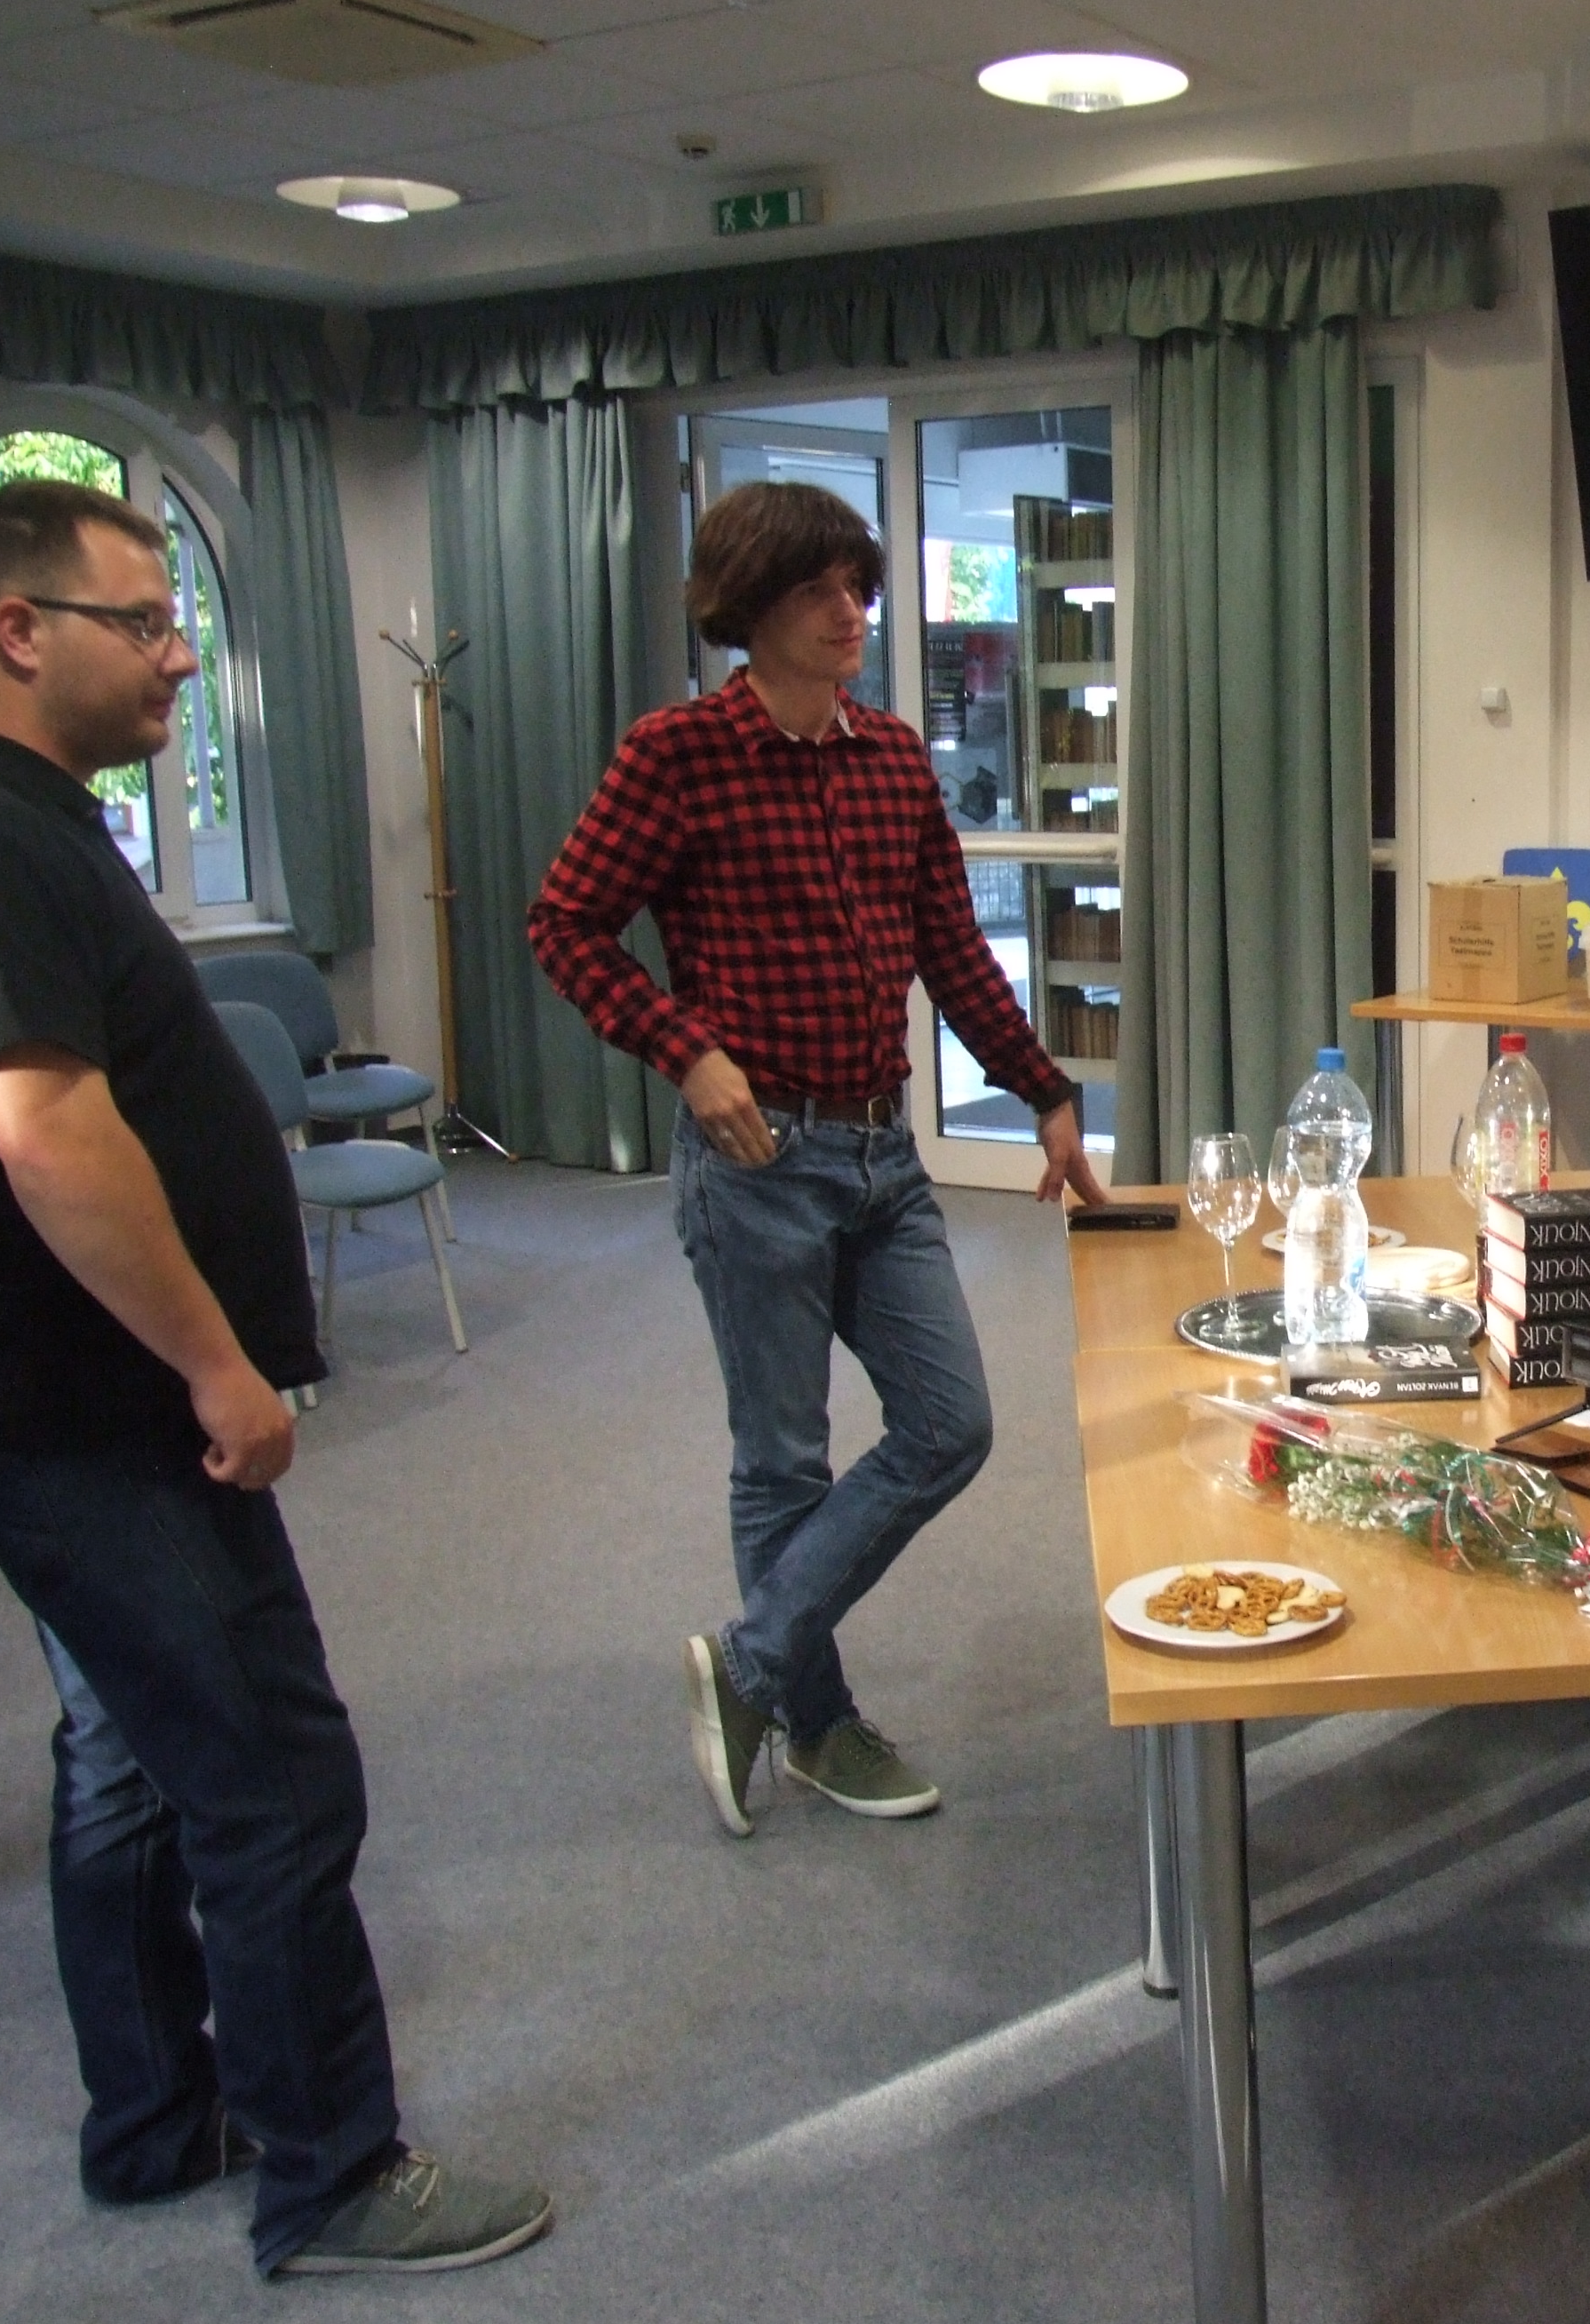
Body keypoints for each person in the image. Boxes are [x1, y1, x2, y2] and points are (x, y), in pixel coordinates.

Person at [0, 480, 552, 2275]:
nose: (180, 657)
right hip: (96, 1419)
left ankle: (158, 2122)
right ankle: (333, 2172)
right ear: (20, 631)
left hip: (66, 1405)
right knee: (273, 1778)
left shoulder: (10, 821)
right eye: (144, 622)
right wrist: (219, 1365)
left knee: (132, 1767)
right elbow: (48, 1134)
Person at [529, 480, 1104, 1839]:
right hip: (757, 1159)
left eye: (859, 586)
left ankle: (749, 1660)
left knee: (951, 1423)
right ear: (751, 609)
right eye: (818, 591)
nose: (853, 613)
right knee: (783, 1460)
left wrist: (1044, 1089)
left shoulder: (892, 757)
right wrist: (685, 1050)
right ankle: (817, 1723)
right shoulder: (678, 755)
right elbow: (565, 925)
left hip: (880, 1152)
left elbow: (951, 949)